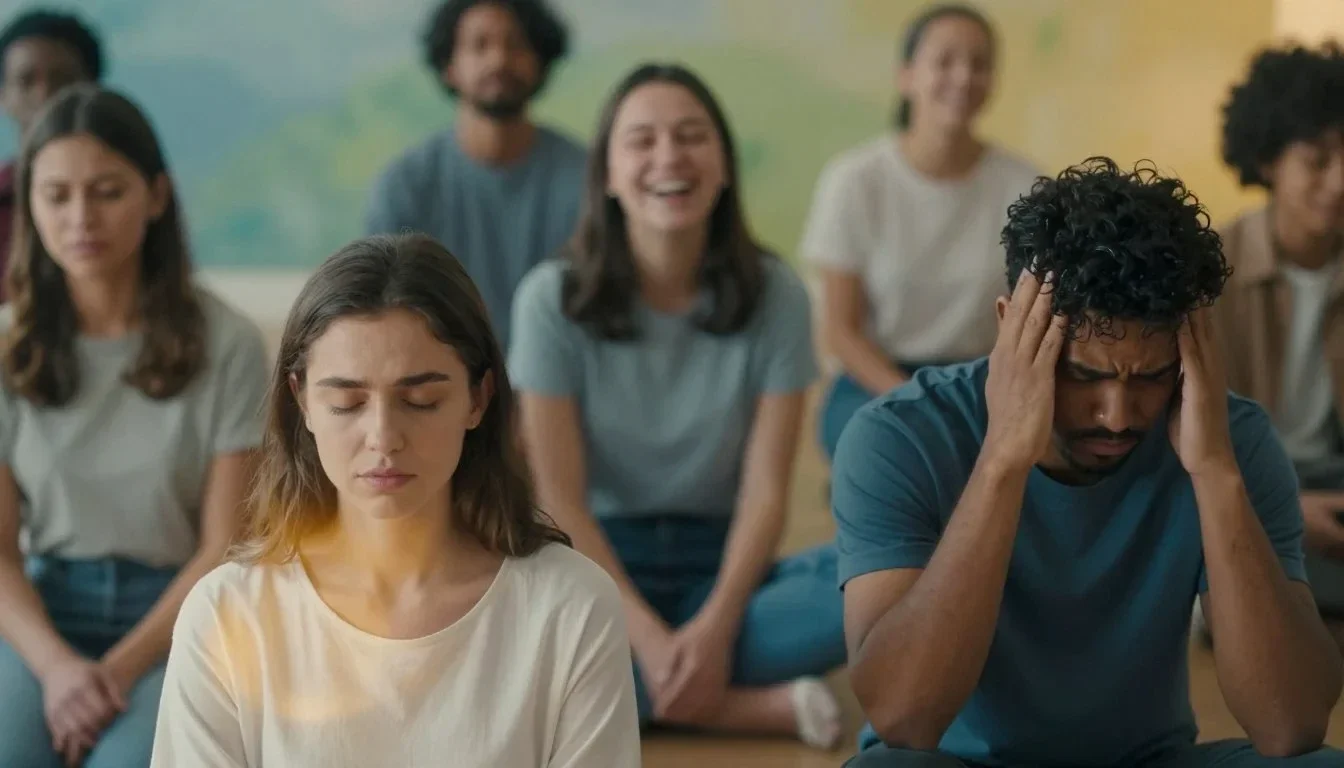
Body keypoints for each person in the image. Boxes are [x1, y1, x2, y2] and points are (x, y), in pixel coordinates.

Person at [836, 158, 1343, 767]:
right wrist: (1001, 462)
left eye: (1152, 377)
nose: (1117, 416)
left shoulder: (1232, 440)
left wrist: (1214, 473)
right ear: (1011, 327)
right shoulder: (901, 436)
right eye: (1081, 375)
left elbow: (1290, 726)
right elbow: (902, 717)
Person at [149, 234, 641, 767]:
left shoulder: (570, 609)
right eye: (347, 402)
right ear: (302, 401)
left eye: (421, 401)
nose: (383, 437)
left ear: (478, 399)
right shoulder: (227, 614)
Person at [510, 63, 847, 750]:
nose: (669, 157)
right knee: (504, 634)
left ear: (723, 167)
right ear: (608, 174)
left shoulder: (778, 296)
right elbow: (559, 499)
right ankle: (752, 709)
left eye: (692, 136)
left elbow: (765, 494)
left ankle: (637, 693)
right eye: (642, 140)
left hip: (722, 567)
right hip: (594, 565)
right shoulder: (550, 299)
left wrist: (716, 627)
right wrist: (649, 638)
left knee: (874, 583)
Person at [0, 85, 267, 768]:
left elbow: (223, 547)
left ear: (156, 196)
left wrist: (114, 672)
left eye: (107, 192)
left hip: (180, 615)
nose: (81, 218)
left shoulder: (229, 344)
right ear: (30, 206)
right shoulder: (7, 346)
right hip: (42, 614)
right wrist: (59, 670)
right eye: (56, 196)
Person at [799, 3, 1040, 460]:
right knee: (891, 450)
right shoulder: (855, 180)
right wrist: (916, 397)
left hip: (984, 377)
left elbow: (1034, 317)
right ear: (906, 76)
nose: (963, 77)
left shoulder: (1026, 187)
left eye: (979, 63)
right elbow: (839, 330)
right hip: (874, 379)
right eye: (945, 61)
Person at [1212, 43, 1344, 652]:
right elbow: (1184, 438)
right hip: (1245, 484)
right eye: (1318, 160)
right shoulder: (1210, 270)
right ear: (1268, 160)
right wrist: (1286, 502)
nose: (1339, 182)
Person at [364, 0, 586, 350]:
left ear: (540, 61)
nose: (498, 60)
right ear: (449, 65)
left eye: (516, 44)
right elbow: (381, 314)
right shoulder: (405, 186)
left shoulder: (586, 180)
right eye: (479, 45)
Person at [0, 9, 103, 290]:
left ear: (93, 89)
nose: (44, 94)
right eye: (26, 81)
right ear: (4, 95)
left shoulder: (126, 200)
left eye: (62, 80)